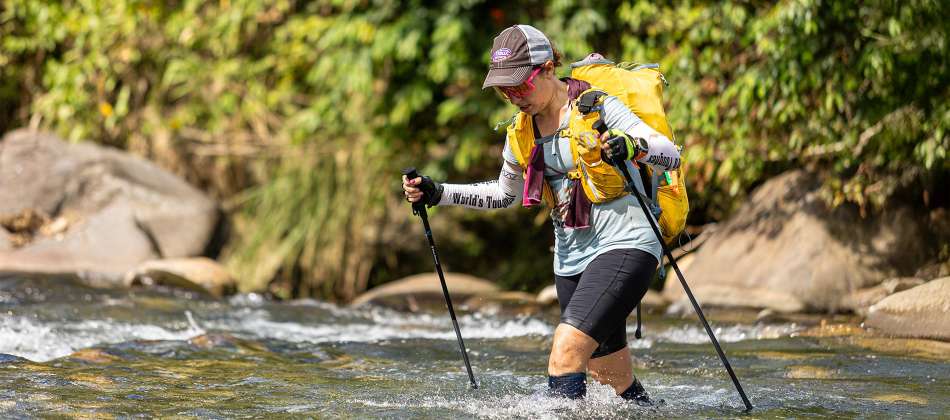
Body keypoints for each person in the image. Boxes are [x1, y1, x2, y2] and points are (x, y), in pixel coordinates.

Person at [402, 24, 680, 403]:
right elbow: (503, 194)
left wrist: (632, 146)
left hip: (626, 242)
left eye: (520, 85)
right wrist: (438, 192)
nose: (514, 96)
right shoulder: (521, 130)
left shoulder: (596, 106)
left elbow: (669, 153)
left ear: (548, 68)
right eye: (505, 90)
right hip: (571, 259)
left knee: (565, 353)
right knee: (610, 382)